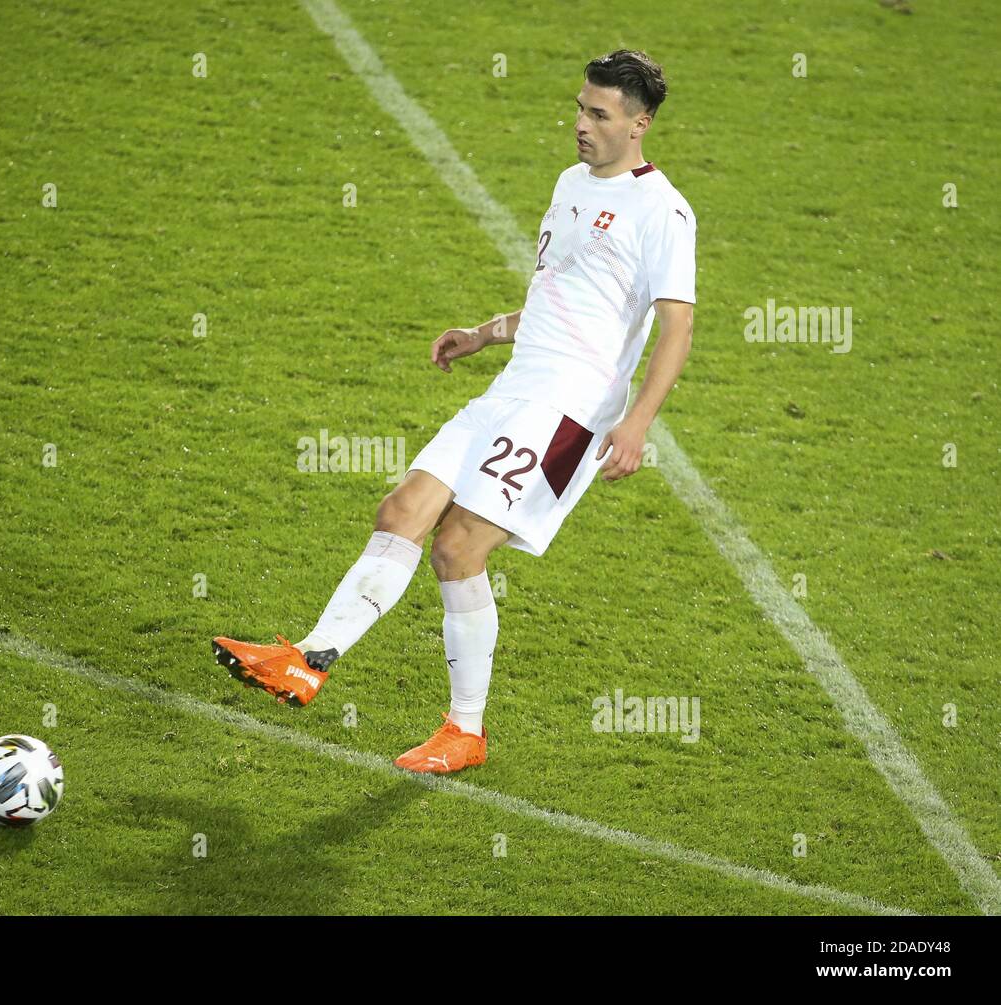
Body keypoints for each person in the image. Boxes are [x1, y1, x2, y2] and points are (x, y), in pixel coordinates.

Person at [212, 49, 696, 775]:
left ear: (640, 123)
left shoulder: (664, 210)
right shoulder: (570, 184)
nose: (581, 124)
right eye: (580, 107)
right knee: (402, 508)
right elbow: (556, 295)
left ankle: (465, 731)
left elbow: (676, 325)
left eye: (599, 114)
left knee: (458, 546)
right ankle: (307, 661)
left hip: (570, 408)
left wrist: (638, 422)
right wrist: (485, 333)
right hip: (514, 386)